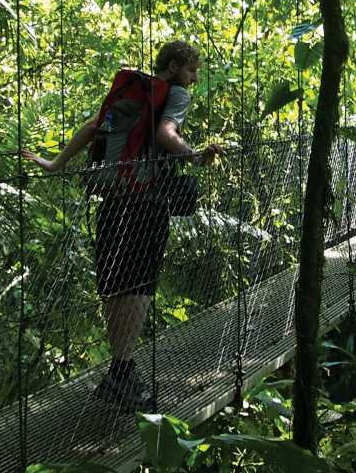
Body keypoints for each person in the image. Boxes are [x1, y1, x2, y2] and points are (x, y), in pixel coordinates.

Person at [20, 40, 221, 409]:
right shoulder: (174, 95)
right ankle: (123, 374)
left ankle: (119, 372)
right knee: (139, 285)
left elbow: (94, 127)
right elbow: (165, 134)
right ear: (175, 66)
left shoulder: (129, 89)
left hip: (114, 199)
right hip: (147, 203)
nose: (193, 79)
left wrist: (54, 164)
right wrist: (193, 155)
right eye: (192, 71)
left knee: (115, 283)